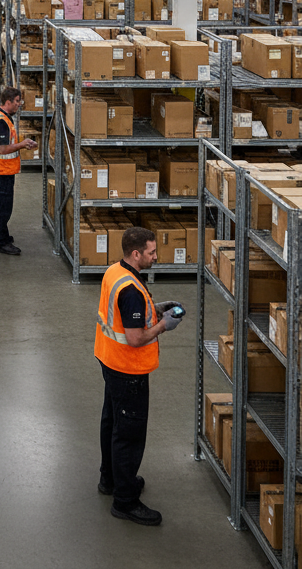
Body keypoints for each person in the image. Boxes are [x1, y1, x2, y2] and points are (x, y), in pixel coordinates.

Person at [95, 226, 183, 527]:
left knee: (112, 422)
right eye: (151, 252)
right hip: (128, 369)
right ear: (136, 254)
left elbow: (121, 315)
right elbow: (135, 338)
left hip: (108, 359)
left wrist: (154, 309)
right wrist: (164, 326)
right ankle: (126, 501)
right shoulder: (130, 290)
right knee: (129, 435)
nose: (156, 256)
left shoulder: (115, 272)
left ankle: (110, 479)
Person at [0, 86, 35, 255]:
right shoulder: (1, 122)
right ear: (8, 102)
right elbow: (4, 149)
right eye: (17, 101)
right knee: (3, 206)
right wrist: (23, 144)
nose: (19, 104)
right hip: (1, 170)